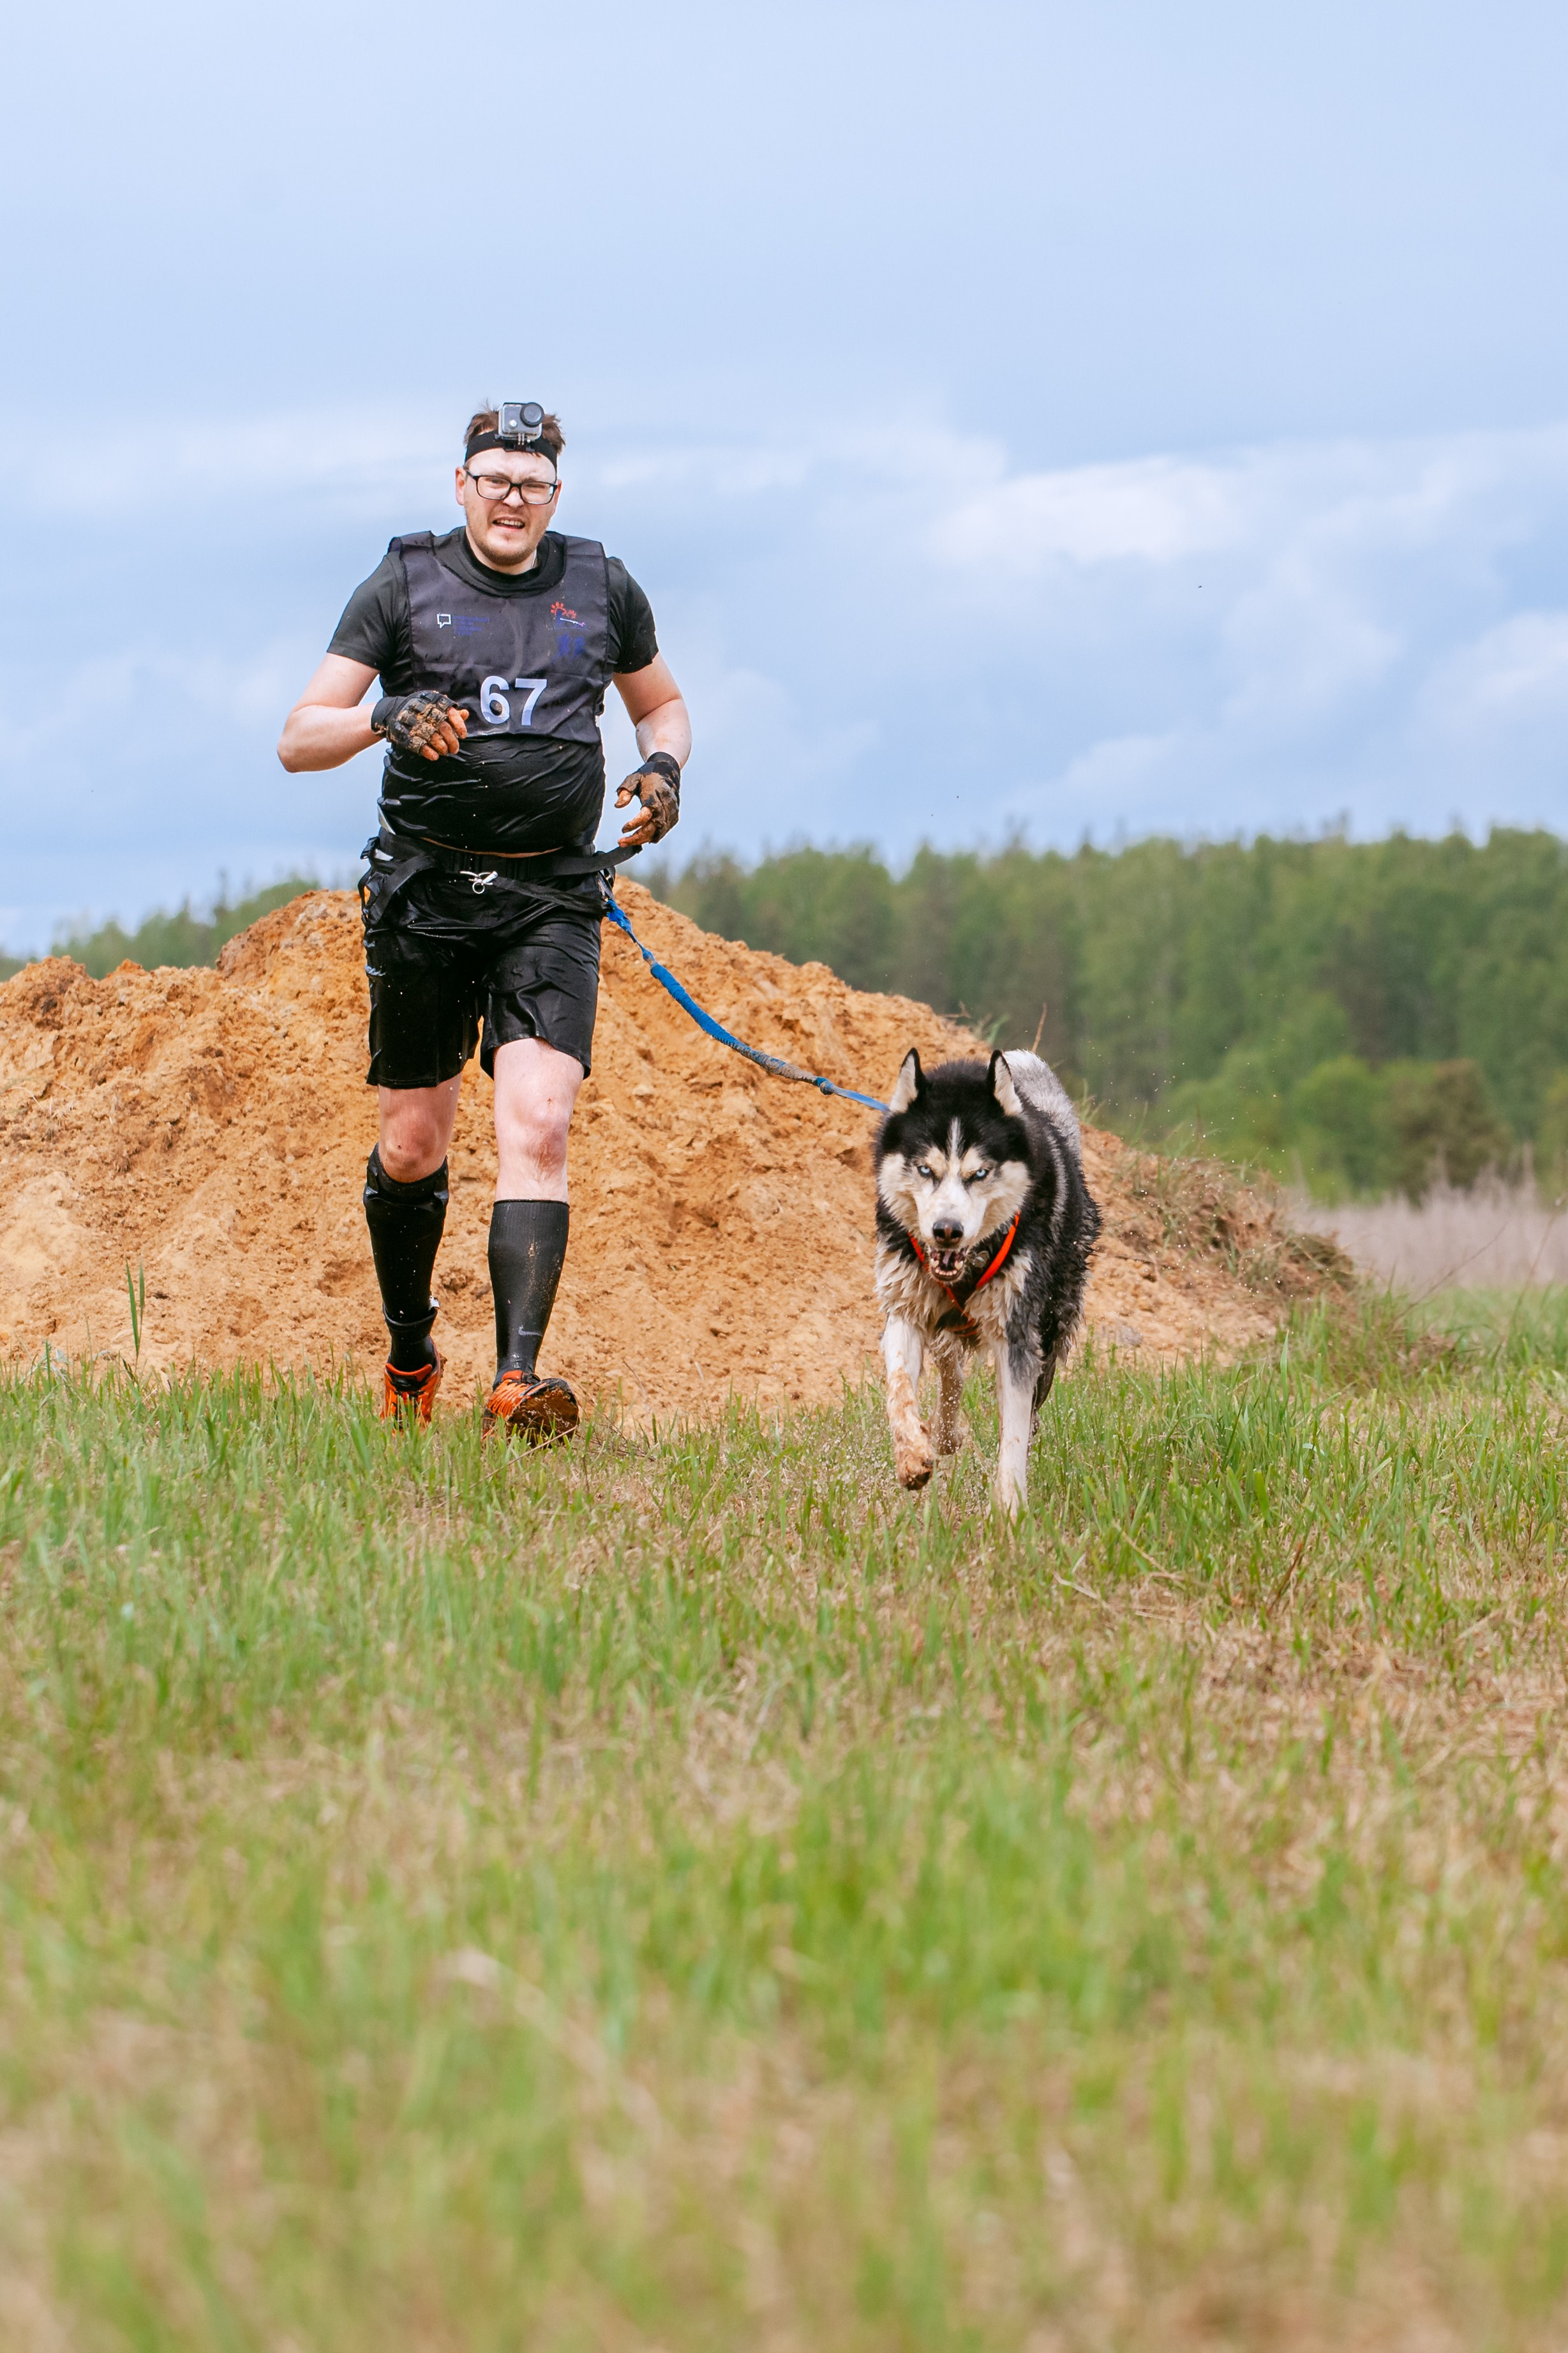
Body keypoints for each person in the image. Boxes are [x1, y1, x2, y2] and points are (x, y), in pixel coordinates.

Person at [278, 401, 690, 1441]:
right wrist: (382, 718)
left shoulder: (600, 584)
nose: (512, 500)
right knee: (413, 1145)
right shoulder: (404, 583)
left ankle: (517, 1378)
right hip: (423, 894)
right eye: (494, 479)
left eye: (533, 485)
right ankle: (412, 1353)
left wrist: (662, 767)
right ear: (460, 483)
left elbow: (662, 704)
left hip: (551, 895)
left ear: (557, 494)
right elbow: (297, 737)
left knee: (539, 1123)